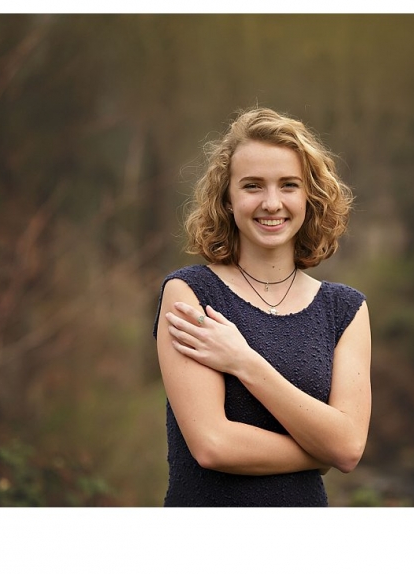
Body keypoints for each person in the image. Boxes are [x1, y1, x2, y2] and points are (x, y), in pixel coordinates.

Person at [152, 107, 372, 506]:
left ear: (310, 196)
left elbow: (350, 445)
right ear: (228, 199)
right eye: (253, 186)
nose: (272, 203)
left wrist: (243, 362)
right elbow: (213, 444)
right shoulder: (190, 292)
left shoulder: (345, 310)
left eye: (288, 185)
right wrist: (320, 452)